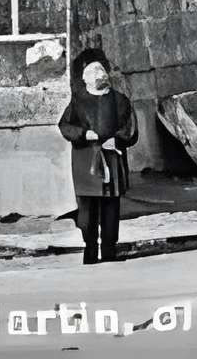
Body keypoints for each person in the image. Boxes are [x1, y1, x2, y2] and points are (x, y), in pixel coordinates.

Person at [57, 46, 139, 265]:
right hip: (86, 165)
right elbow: (65, 126)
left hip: (112, 162)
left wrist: (118, 139)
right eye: (93, 71)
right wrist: (84, 134)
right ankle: (90, 249)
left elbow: (130, 128)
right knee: (87, 211)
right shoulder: (78, 102)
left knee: (111, 209)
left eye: (101, 69)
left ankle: (110, 250)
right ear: (85, 78)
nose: (99, 74)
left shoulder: (120, 100)